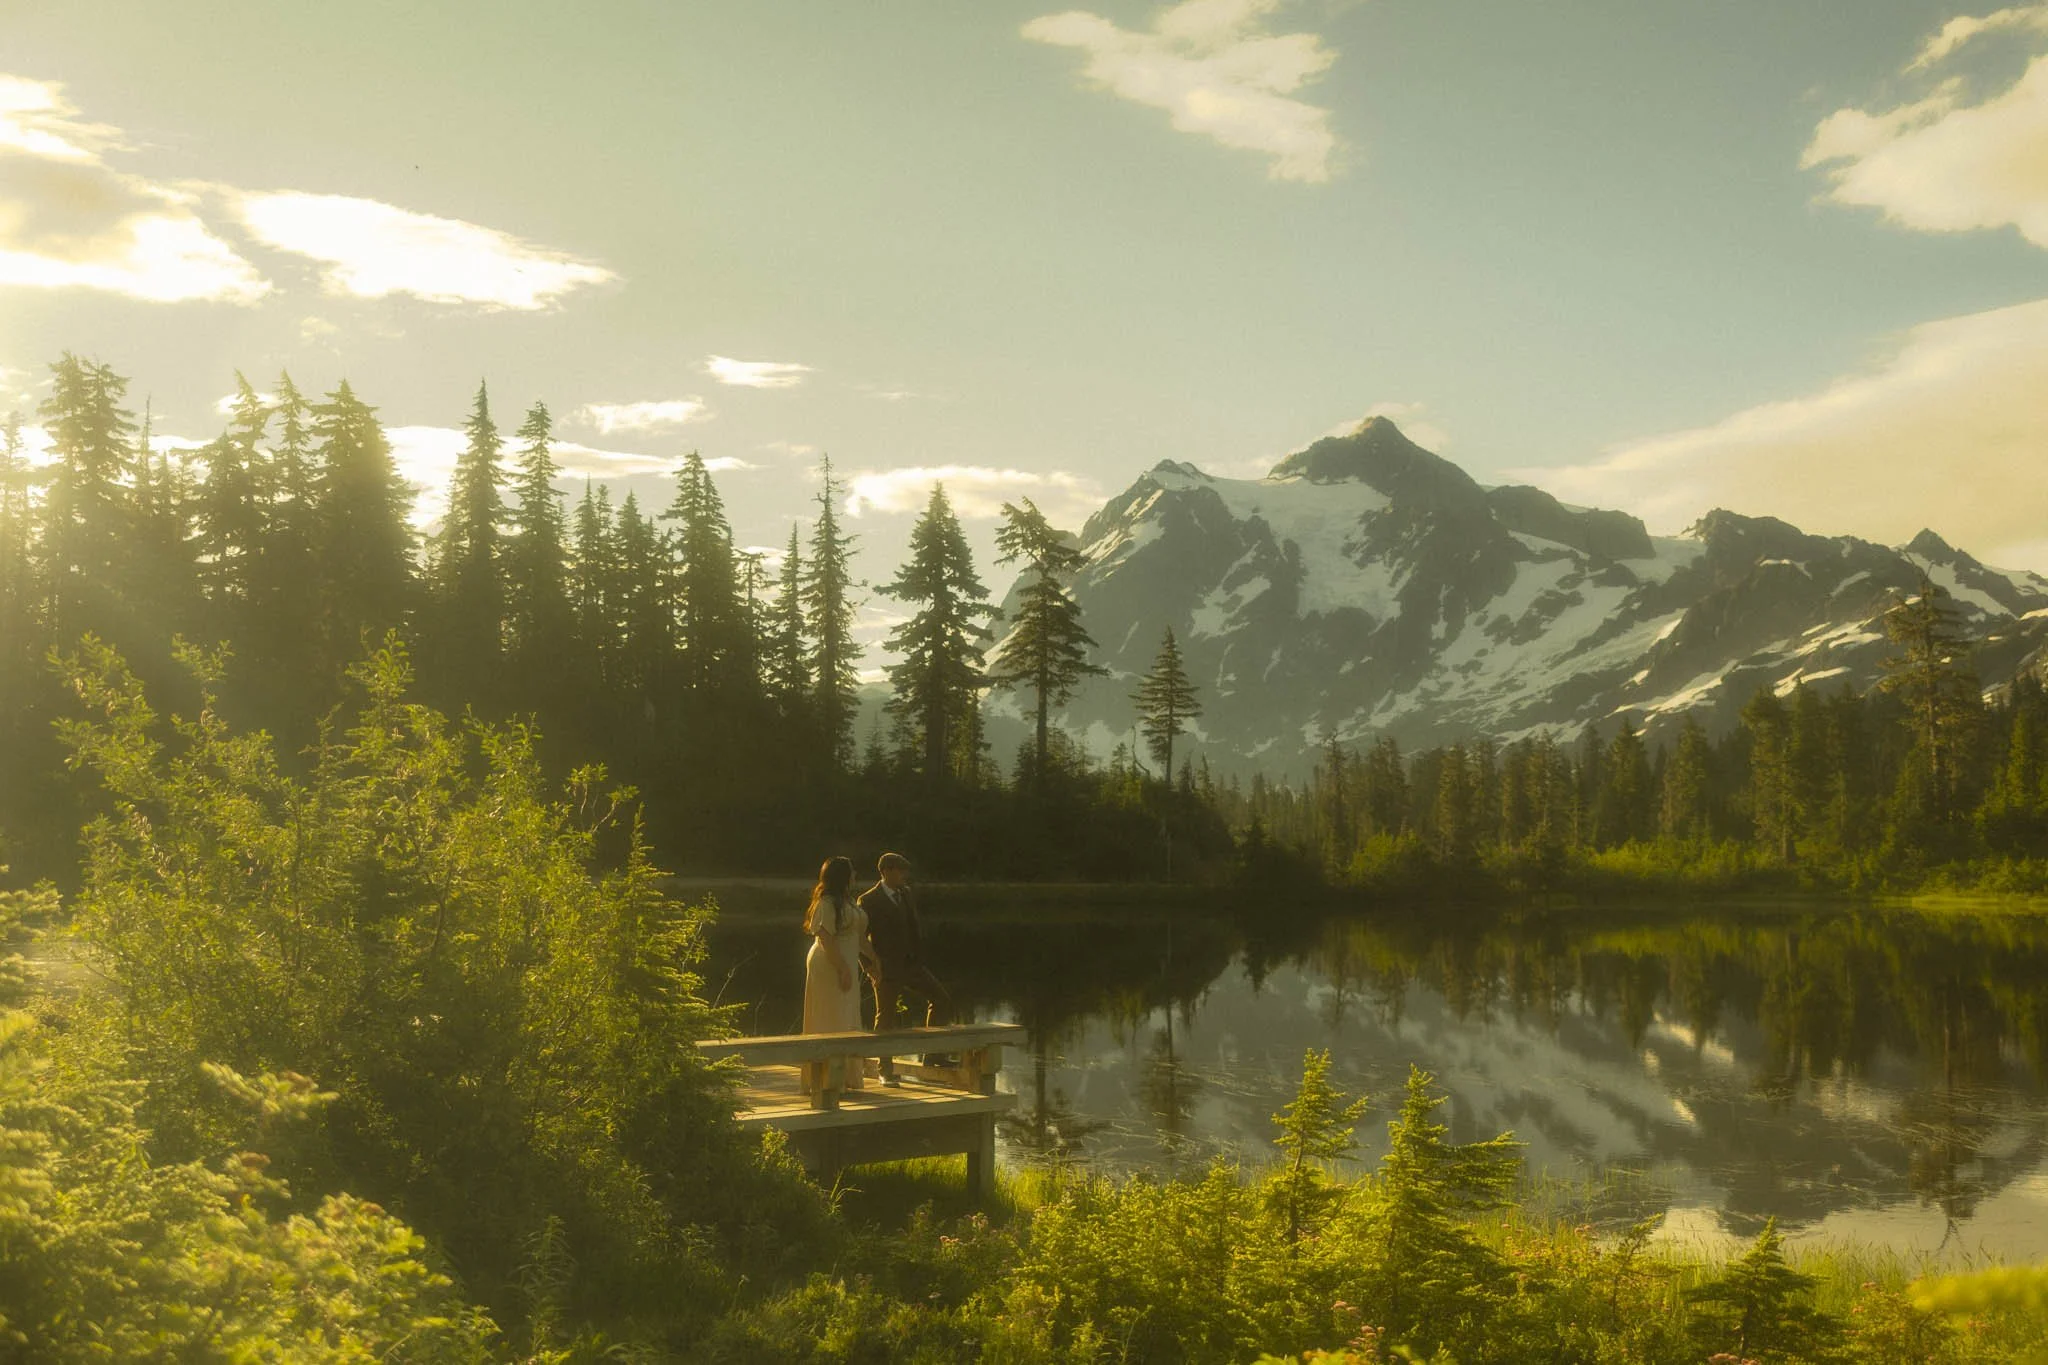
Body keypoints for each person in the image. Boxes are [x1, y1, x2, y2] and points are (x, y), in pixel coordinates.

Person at [858, 852, 953, 1086]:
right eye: (900, 871)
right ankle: (885, 1070)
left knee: (941, 999)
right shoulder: (868, 900)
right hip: (886, 969)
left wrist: (918, 958)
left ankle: (933, 1056)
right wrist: (869, 967)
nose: (904, 875)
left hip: (911, 965)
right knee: (886, 1018)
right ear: (887, 871)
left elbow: (913, 928)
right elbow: (860, 938)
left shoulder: (905, 893)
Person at [802, 856, 876, 1089]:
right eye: (852, 871)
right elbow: (825, 938)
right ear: (842, 876)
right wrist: (842, 968)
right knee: (830, 1016)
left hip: (847, 962)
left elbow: (859, 937)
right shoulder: (826, 902)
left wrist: (875, 960)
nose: (855, 875)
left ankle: (846, 1076)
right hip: (828, 963)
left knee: (847, 1015)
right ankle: (824, 1079)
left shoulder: (849, 902)